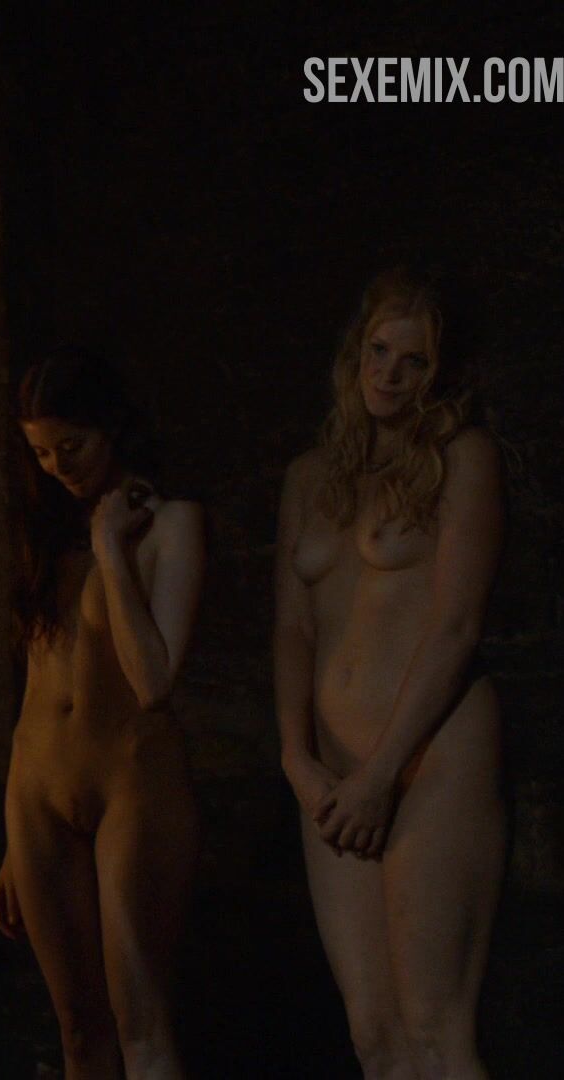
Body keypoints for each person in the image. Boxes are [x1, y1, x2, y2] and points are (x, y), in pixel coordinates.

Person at [274, 267, 503, 1079]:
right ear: (355, 351)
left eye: (413, 361)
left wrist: (381, 775)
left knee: (434, 1029)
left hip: (431, 757)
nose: (389, 374)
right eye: (378, 351)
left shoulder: (460, 458)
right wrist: (295, 759)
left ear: (440, 373)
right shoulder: (308, 477)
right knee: (375, 1038)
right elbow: (292, 628)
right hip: (332, 771)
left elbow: (456, 627)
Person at [0, 348, 204, 1079]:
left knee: (139, 1021)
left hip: (130, 783)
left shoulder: (172, 525)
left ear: (110, 427)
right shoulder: (44, 535)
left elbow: (153, 681)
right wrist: (11, 844)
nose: (57, 467)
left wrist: (110, 548)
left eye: (71, 447)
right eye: (41, 453)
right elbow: (34, 686)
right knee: (78, 1029)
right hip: (36, 788)